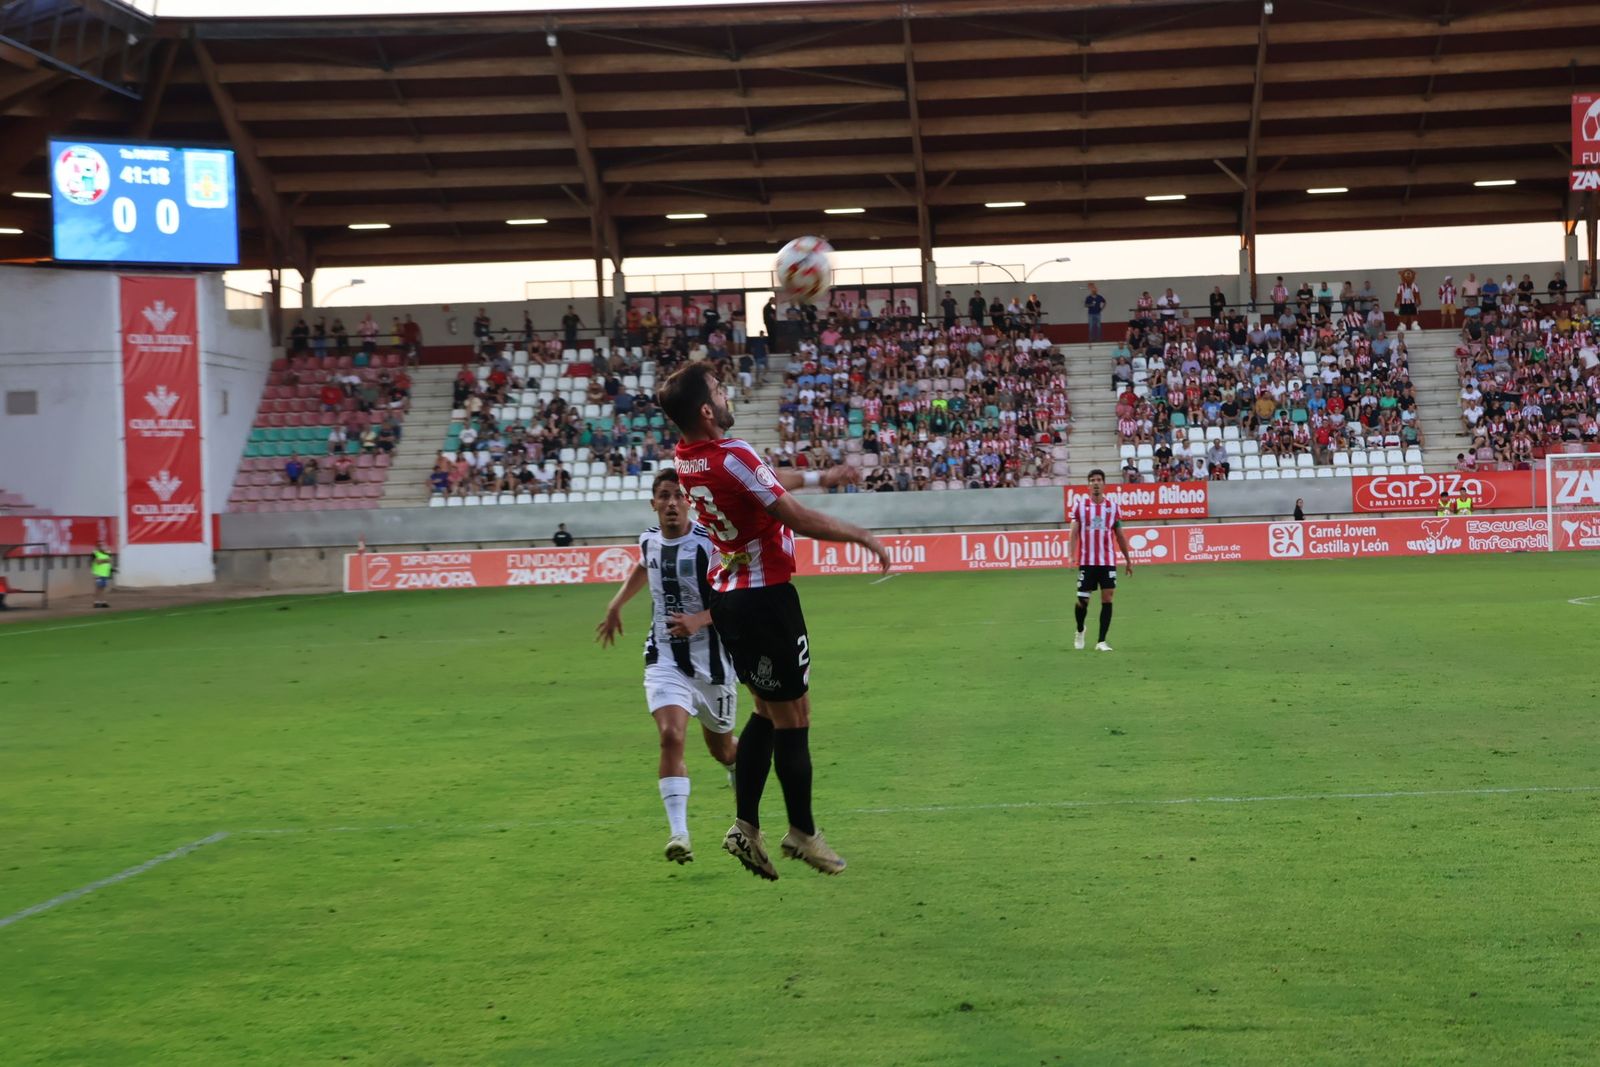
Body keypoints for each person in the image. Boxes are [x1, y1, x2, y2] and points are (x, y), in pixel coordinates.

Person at [657, 362, 890, 880]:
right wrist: (862, 535)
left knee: (765, 710)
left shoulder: (689, 458)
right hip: (765, 599)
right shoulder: (731, 454)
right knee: (794, 717)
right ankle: (803, 832)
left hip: (734, 601)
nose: (725, 393)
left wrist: (820, 477)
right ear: (705, 409)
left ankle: (745, 826)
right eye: (718, 389)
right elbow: (792, 514)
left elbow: (760, 482)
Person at [596, 468, 740, 864]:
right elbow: (644, 565)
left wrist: (698, 619)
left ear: (688, 501)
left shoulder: (709, 545)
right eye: (664, 496)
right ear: (654, 503)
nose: (672, 503)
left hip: (713, 665)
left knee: (723, 749)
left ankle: (737, 763)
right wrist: (616, 604)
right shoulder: (648, 539)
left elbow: (734, 597)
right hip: (664, 658)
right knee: (670, 735)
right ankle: (679, 833)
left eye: (678, 495)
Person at [1068, 469, 1133, 652]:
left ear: (1104, 483)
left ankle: (1101, 641)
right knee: (1082, 601)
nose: (1096, 483)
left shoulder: (1113, 507)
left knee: (1108, 597)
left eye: (1098, 480)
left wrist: (1128, 560)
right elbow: (1073, 533)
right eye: (1092, 480)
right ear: (1088, 484)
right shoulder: (1080, 507)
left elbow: (1120, 535)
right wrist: (1070, 555)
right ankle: (1080, 630)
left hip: (1107, 561)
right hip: (1087, 562)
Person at [91, 542, 114, 609]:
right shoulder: (95, 553)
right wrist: (106, 560)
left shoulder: (107, 553)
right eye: (101, 546)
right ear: (98, 547)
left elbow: (109, 561)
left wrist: (105, 562)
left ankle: (103, 602)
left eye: (104, 546)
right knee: (98, 587)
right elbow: (98, 562)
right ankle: (96, 602)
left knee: (103, 587)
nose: (103, 547)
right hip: (98, 573)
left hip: (105, 573)